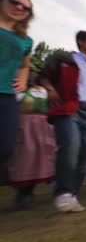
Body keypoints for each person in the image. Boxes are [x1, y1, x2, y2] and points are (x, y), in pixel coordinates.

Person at [40, 30, 86, 212]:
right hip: (67, 108)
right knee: (70, 145)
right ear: (80, 42)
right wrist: (50, 89)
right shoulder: (64, 58)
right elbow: (43, 76)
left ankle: (72, 194)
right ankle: (63, 192)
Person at [0, 0, 34, 185]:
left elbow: (24, 64)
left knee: (5, 147)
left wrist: (22, 79)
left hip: (7, 96)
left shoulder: (25, 40)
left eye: (26, 8)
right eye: (14, 2)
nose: (19, 8)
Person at [7, 74, 56, 209]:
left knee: (41, 158)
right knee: (26, 157)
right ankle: (23, 192)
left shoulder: (48, 94)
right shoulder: (22, 94)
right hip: (26, 127)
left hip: (44, 127)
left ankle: (29, 191)